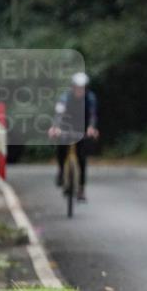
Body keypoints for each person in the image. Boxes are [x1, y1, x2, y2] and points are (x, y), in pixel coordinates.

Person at [48, 72, 99, 201]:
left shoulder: (90, 98)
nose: (79, 91)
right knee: (61, 148)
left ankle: (81, 189)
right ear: (72, 87)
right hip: (66, 126)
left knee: (82, 158)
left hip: (82, 127)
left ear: (86, 88)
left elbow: (93, 114)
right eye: (77, 87)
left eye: (82, 88)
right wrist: (55, 127)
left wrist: (91, 128)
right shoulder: (65, 97)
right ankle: (61, 171)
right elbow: (59, 113)